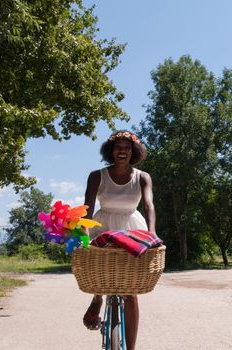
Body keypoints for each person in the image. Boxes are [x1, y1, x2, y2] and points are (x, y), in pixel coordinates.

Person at [81, 130, 155, 350]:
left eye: (127, 147)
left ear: (133, 152)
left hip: (132, 227)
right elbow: (87, 209)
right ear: (111, 152)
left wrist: (152, 235)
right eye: (118, 147)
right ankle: (97, 298)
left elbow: (149, 206)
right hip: (103, 225)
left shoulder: (142, 177)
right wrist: (83, 235)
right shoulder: (97, 175)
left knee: (131, 293)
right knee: (98, 268)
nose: (122, 151)